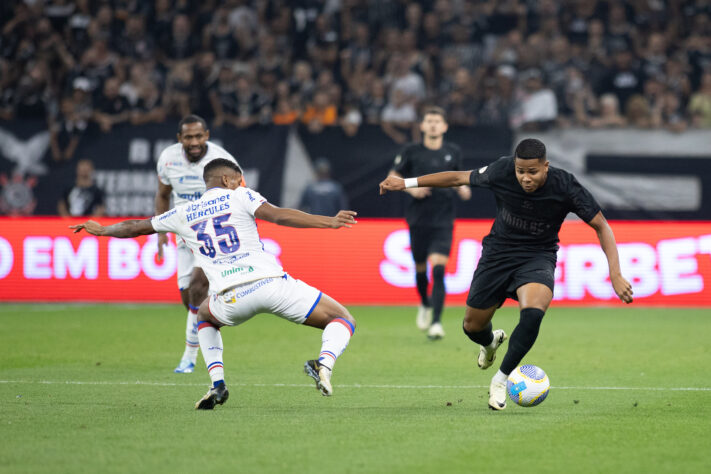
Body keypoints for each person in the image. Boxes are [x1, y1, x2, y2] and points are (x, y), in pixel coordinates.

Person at [71, 159, 357, 409]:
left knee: (204, 314)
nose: (240, 183)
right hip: (271, 285)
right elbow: (280, 215)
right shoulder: (240, 195)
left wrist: (103, 230)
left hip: (230, 299)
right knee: (341, 318)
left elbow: (136, 226)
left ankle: (217, 383)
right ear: (226, 180)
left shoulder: (184, 212)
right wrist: (328, 222)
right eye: (238, 179)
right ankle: (324, 364)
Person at [379, 138, 633, 411]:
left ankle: (501, 379)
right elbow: (457, 178)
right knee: (472, 326)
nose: (525, 178)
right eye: (520, 171)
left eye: (532, 172)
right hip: (497, 255)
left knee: (534, 311)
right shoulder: (501, 170)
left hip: (538, 256)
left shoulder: (565, 185)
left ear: (545, 166)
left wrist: (615, 274)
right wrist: (406, 183)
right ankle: (489, 343)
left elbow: (601, 225)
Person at [155, 114, 243, 374]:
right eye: (188, 137)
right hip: (183, 234)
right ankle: (211, 325)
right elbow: (162, 195)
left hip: (212, 234)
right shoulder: (168, 159)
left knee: (197, 286)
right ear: (179, 138)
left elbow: (241, 195)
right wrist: (161, 233)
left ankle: (189, 357)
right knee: (190, 299)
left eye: (198, 136)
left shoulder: (223, 160)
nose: (193, 142)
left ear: (206, 135)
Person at [388, 106, 471, 340]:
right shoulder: (411, 151)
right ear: (422, 126)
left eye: (437, 121)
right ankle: (424, 303)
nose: (433, 124)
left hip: (443, 219)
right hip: (418, 218)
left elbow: (457, 176)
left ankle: (436, 322)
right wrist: (411, 190)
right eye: (429, 121)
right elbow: (393, 175)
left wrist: (464, 188)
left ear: (444, 127)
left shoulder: (452, 151)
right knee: (421, 270)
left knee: (439, 268)